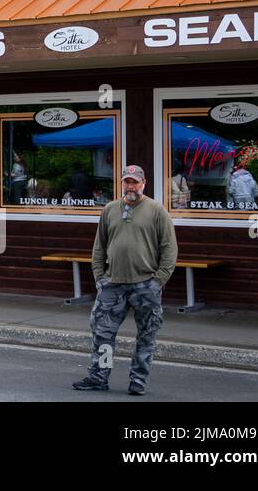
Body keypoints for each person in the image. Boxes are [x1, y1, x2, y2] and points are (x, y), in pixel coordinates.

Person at [73, 164, 177, 396]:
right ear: (121, 183)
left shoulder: (156, 210)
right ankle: (99, 377)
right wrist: (99, 276)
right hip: (113, 284)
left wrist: (159, 280)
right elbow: (99, 246)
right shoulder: (110, 209)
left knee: (146, 335)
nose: (130, 186)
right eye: (126, 181)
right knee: (103, 333)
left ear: (144, 183)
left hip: (145, 284)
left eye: (135, 182)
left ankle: (138, 380)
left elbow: (169, 249)